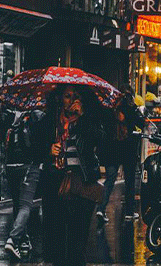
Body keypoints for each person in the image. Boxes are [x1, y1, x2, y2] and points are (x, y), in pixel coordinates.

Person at [37, 85, 103, 266]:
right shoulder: (49, 121)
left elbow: (101, 140)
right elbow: (34, 149)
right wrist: (48, 149)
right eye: (67, 96)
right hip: (55, 182)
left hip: (81, 181)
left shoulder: (87, 120)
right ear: (59, 98)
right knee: (56, 238)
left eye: (76, 96)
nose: (72, 100)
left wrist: (83, 118)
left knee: (77, 241)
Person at [96, 84, 146, 224]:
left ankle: (101, 208)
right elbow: (141, 123)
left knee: (110, 179)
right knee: (130, 180)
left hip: (112, 149)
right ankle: (129, 212)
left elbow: (105, 126)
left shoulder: (110, 107)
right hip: (127, 148)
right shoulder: (131, 108)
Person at [4, 108, 44, 259]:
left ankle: (23, 240)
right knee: (25, 205)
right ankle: (13, 239)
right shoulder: (36, 117)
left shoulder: (13, 119)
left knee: (17, 204)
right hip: (28, 165)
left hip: (10, 166)